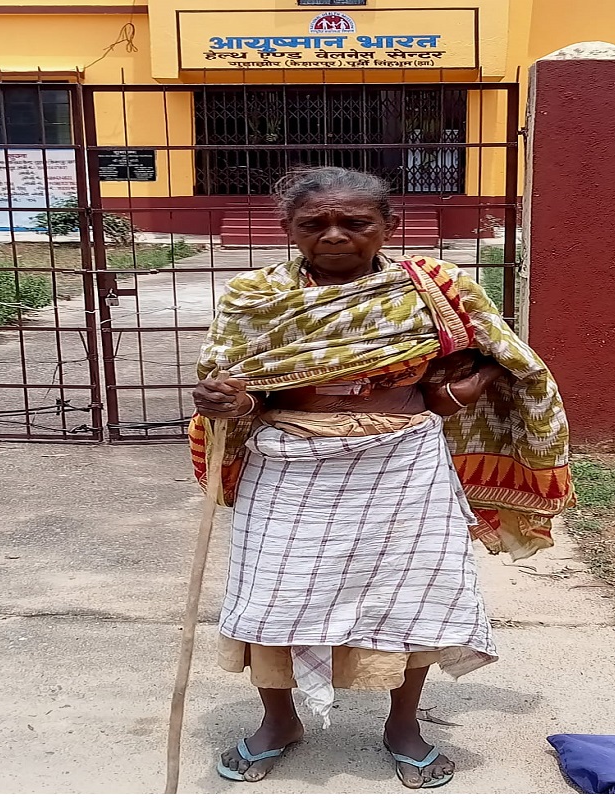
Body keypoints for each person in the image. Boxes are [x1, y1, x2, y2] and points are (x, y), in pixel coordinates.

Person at [190, 166, 573, 789]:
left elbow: (504, 358)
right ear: (288, 228)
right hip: (288, 465)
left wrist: (467, 386)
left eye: (355, 222)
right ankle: (278, 722)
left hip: (404, 464)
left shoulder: (436, 290)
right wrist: (232, 402)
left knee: (409, 595)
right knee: (272, 595)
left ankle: (403, 727)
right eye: (314, 223)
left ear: (388, 227)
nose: (334, 235)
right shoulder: (253, 299)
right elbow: (244, 386)